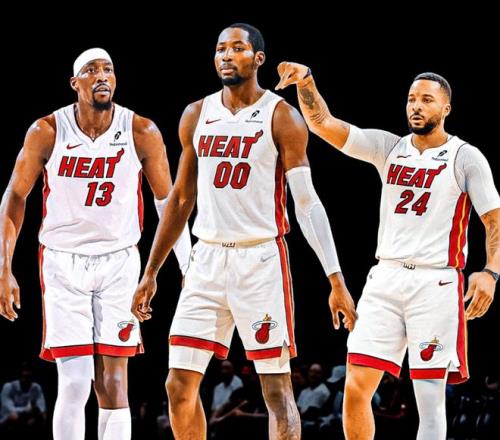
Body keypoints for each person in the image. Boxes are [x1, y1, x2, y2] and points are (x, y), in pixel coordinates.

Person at [131, 23, 357, 439]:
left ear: (258, 59)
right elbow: (180, 200)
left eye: (237, 48)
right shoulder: (196, 114)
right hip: (206, 258)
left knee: (276, 390)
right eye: (220, 49)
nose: (226, 56)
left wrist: (335, 278)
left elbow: (307, 203)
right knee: (177, 386)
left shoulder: (282, 116)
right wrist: (151, 273)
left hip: (261, 259)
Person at [275, 62, 500, 439]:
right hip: (385, 279)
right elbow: (323, 124)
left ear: (446, 108)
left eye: (427, 100)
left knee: (429, 400)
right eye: (412, 99)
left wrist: (490, 271)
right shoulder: (389, 147)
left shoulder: (465, 157)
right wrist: (306, 81)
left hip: (435, 282)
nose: (416, 106)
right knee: (355, 388)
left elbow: (493, 219)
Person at [0, 48, 191, 440]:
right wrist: (5, 268)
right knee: (74, 381)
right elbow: (15, 196)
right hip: (63, 262)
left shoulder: (141, 130)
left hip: (119, 262)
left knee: (114, 383)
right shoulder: (47, 131)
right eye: (91, 70)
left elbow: (168, 204)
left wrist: (188, 266)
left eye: (108, 69)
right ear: (75, 83)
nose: (102, 75)